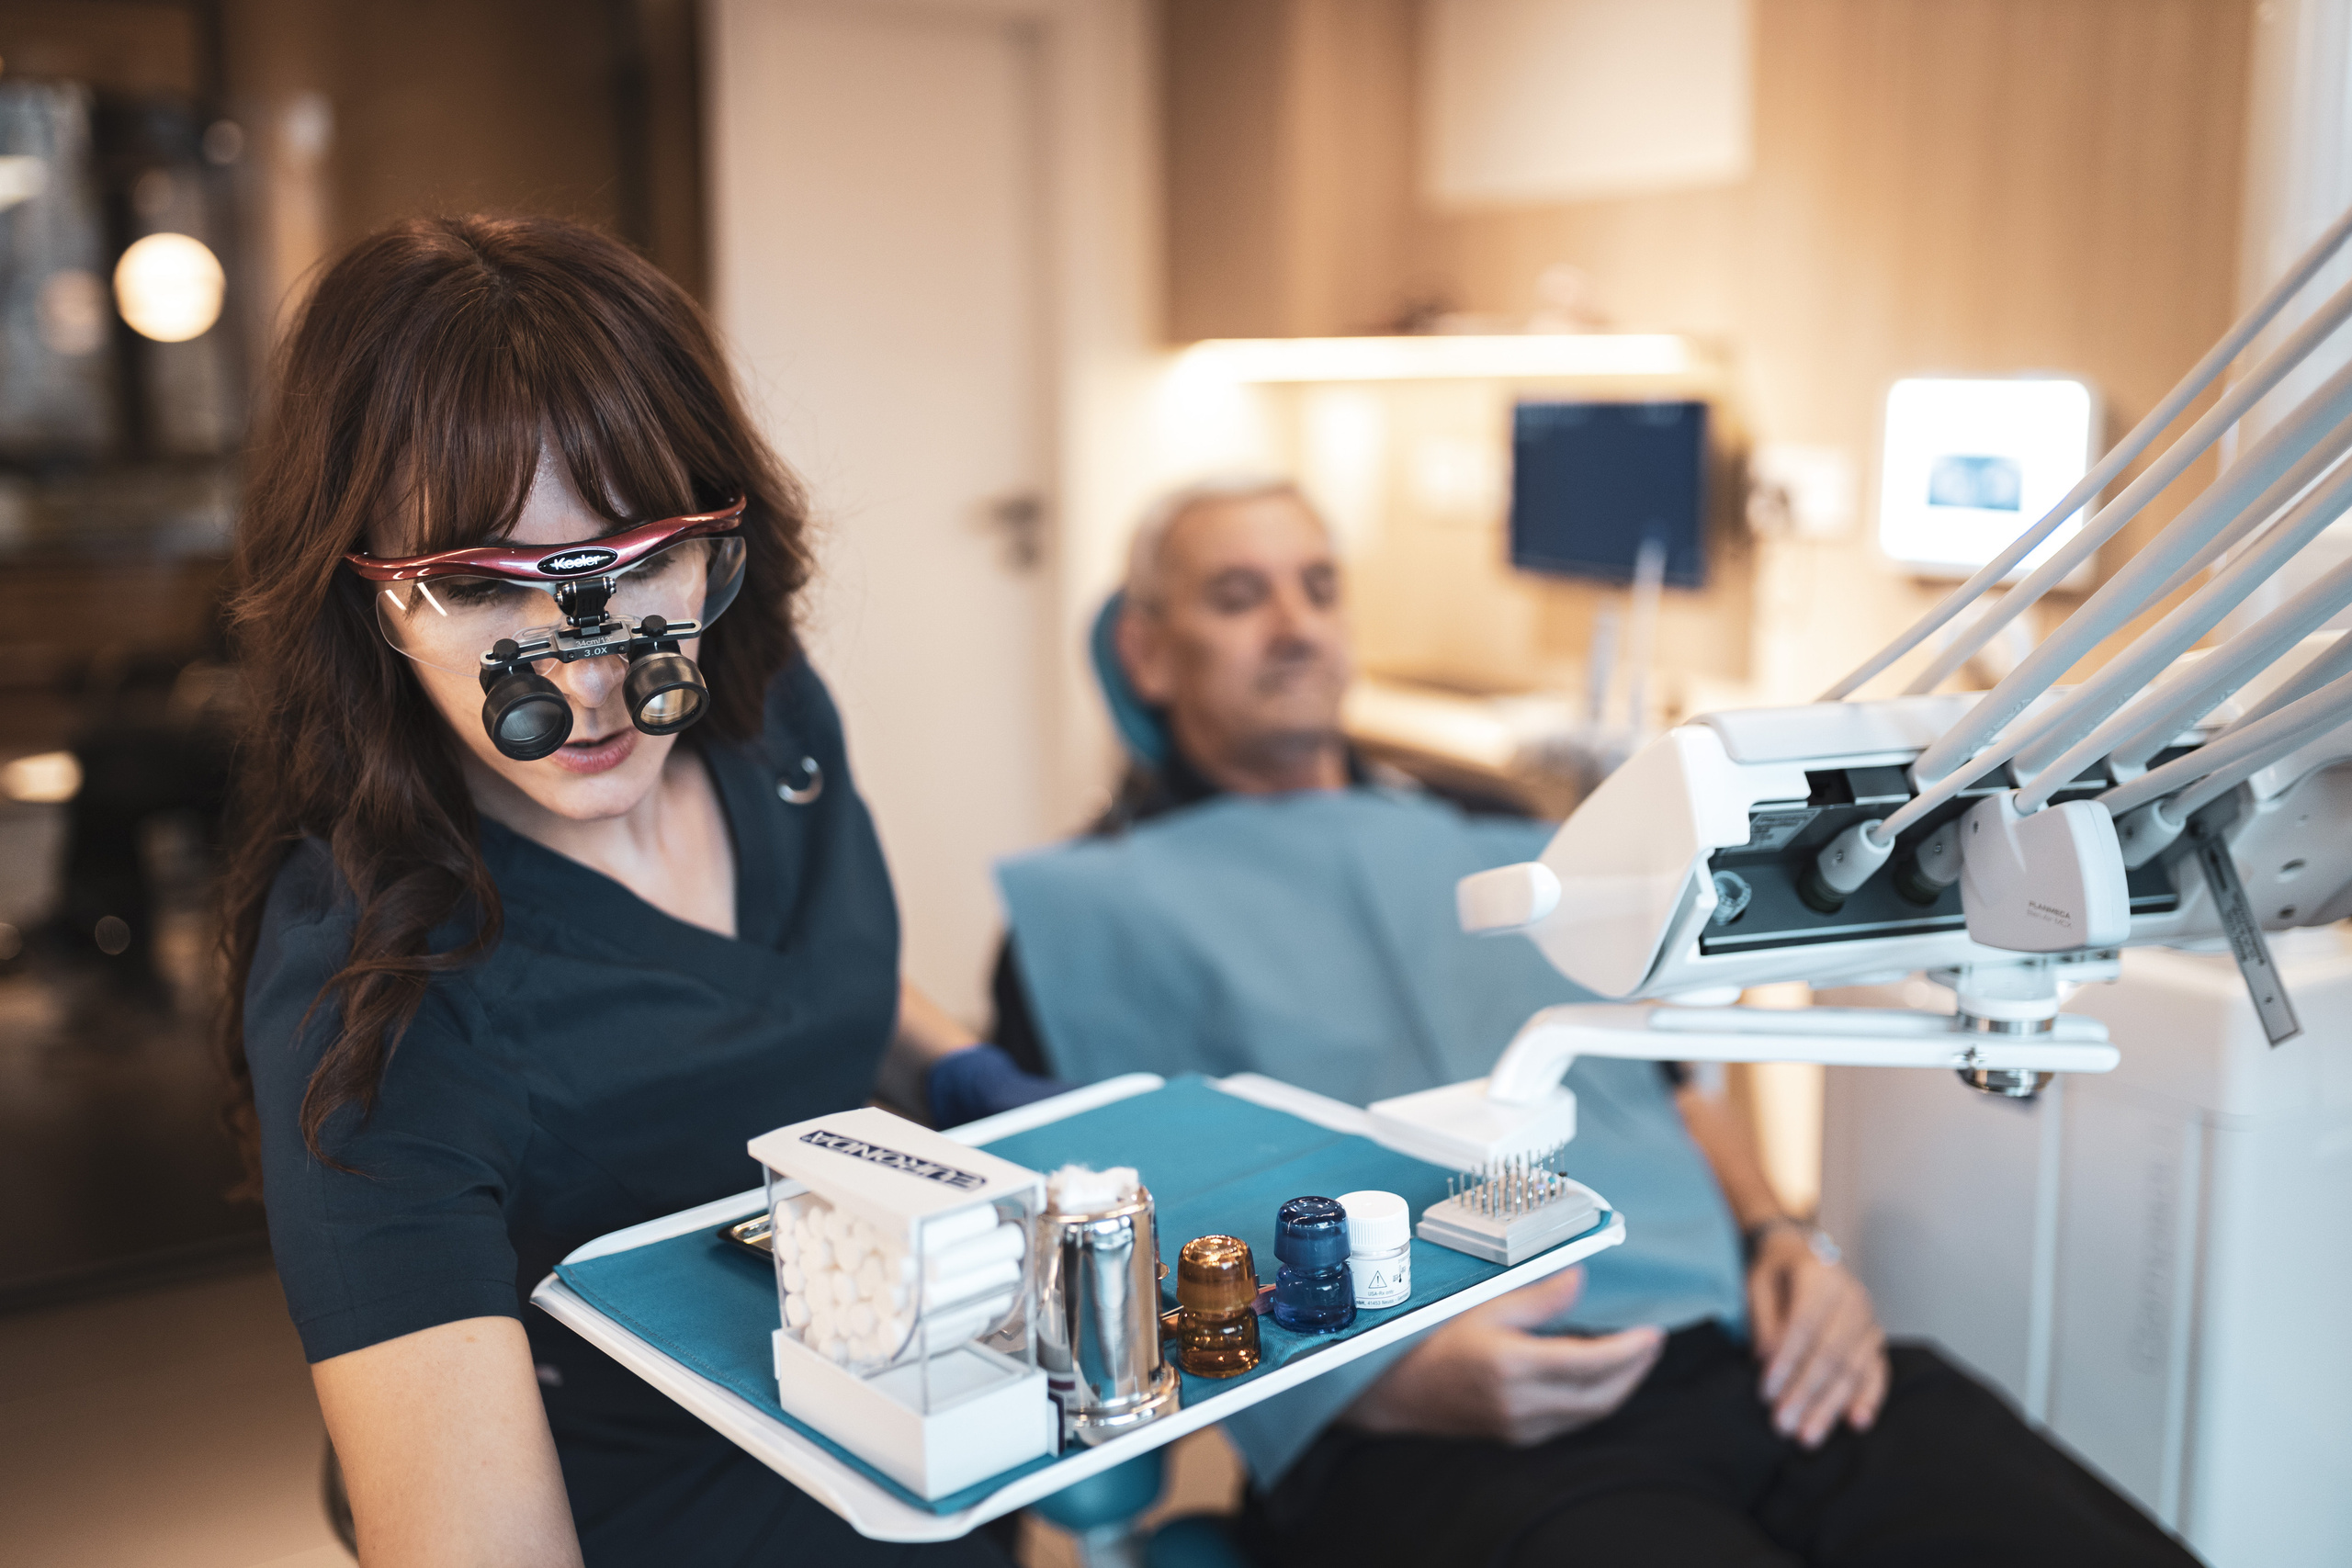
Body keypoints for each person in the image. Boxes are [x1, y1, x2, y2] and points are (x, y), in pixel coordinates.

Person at [988, 477, 2199, 1567]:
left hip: (1739, 1358)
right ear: (1148, 654)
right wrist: (1369, 1388)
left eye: (1318, 587)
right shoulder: (1083, 926)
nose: (1296, 626)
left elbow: (1678, 1083)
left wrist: (1789, 1244)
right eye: (1239, 598)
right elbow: (1071, 1261)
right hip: (1430, 1438)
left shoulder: (1522, 835)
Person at [219, 216, 1023, 1568]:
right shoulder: (370, 992)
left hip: (914, 1435)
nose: (589, 684)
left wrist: (965, 1069)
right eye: (478, 583)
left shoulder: (771, 721)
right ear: (366, 599)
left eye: (643, 560)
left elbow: (812, 972)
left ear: (723, 540)